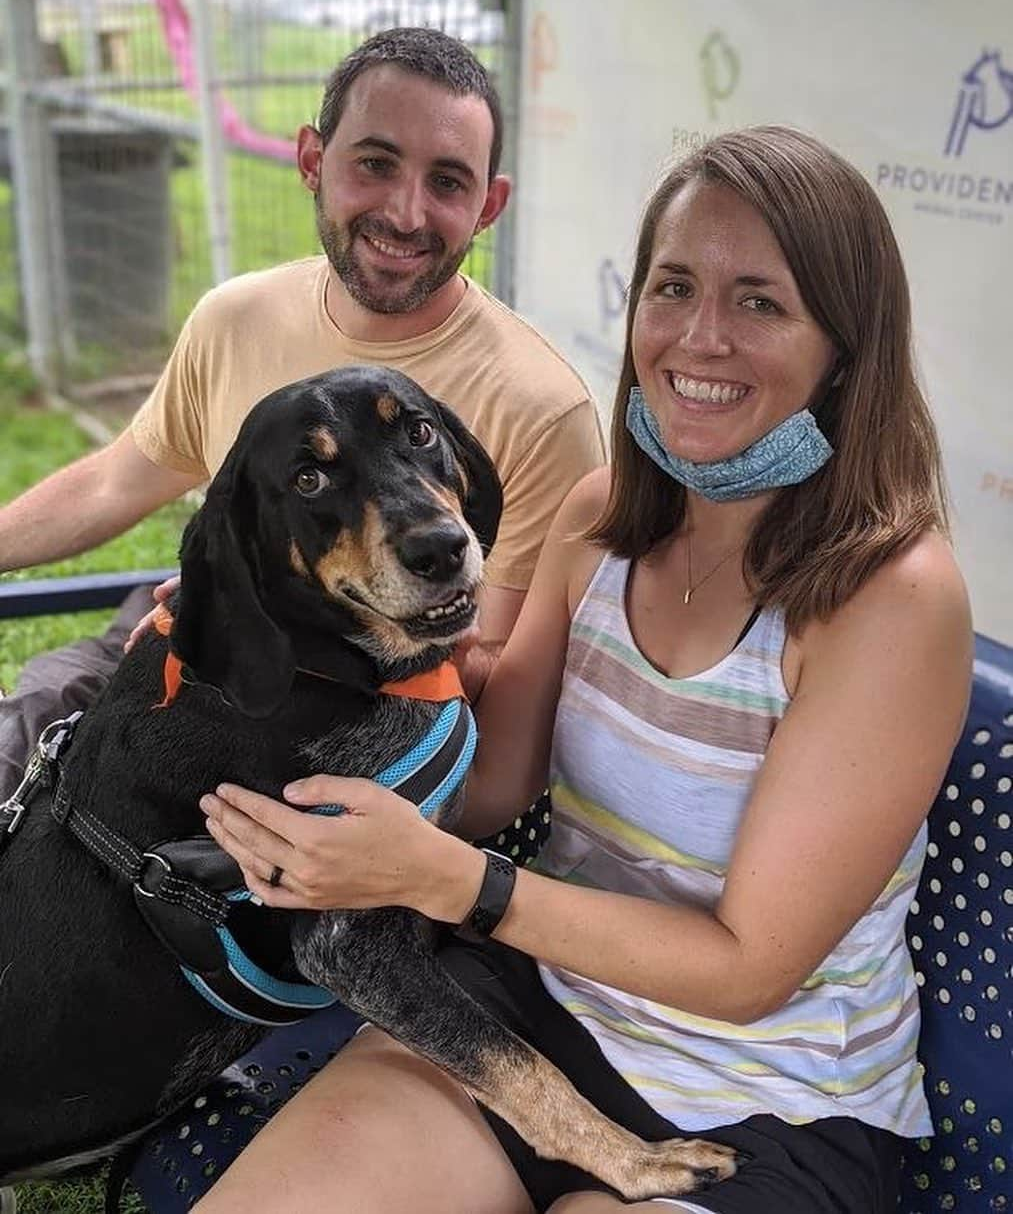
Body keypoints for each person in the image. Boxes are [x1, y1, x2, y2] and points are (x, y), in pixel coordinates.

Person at [192, 126, 972, 1214]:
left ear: (846, 341)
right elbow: (494, 782)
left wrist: (443, 880)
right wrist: (265, 682)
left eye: (758, 301)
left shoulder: (890, 597)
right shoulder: (598, 516)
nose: (698, 338)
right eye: (672, 287)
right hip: (531, 1006)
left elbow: (749, 968)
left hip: (769, 1094)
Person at [0, 27, 604, 797]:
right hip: (183, 626)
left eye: (447, 182)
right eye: (375, 164)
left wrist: (258, 631)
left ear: (489, 204)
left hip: (347, 712)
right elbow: (113, 483)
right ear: (313, 160)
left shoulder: (540, 406)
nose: (406, 213)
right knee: (36, 710)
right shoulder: (234, 318)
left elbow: (499, 663)